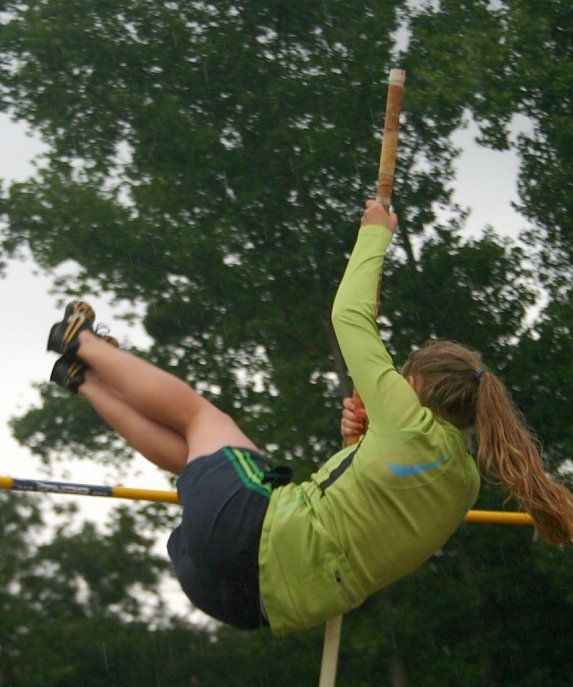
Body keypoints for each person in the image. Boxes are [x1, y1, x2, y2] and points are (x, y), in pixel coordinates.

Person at [46, 201, 573, 636]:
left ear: (411, 386)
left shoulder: (405, 415)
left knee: (202, 419)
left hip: (247, 535)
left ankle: (81, 342)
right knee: (200, 459)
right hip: (243, 600)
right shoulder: (461, 487)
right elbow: (369, 505)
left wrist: (375, 235)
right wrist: (359, 443)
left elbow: (349, 316)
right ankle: (82, 379)